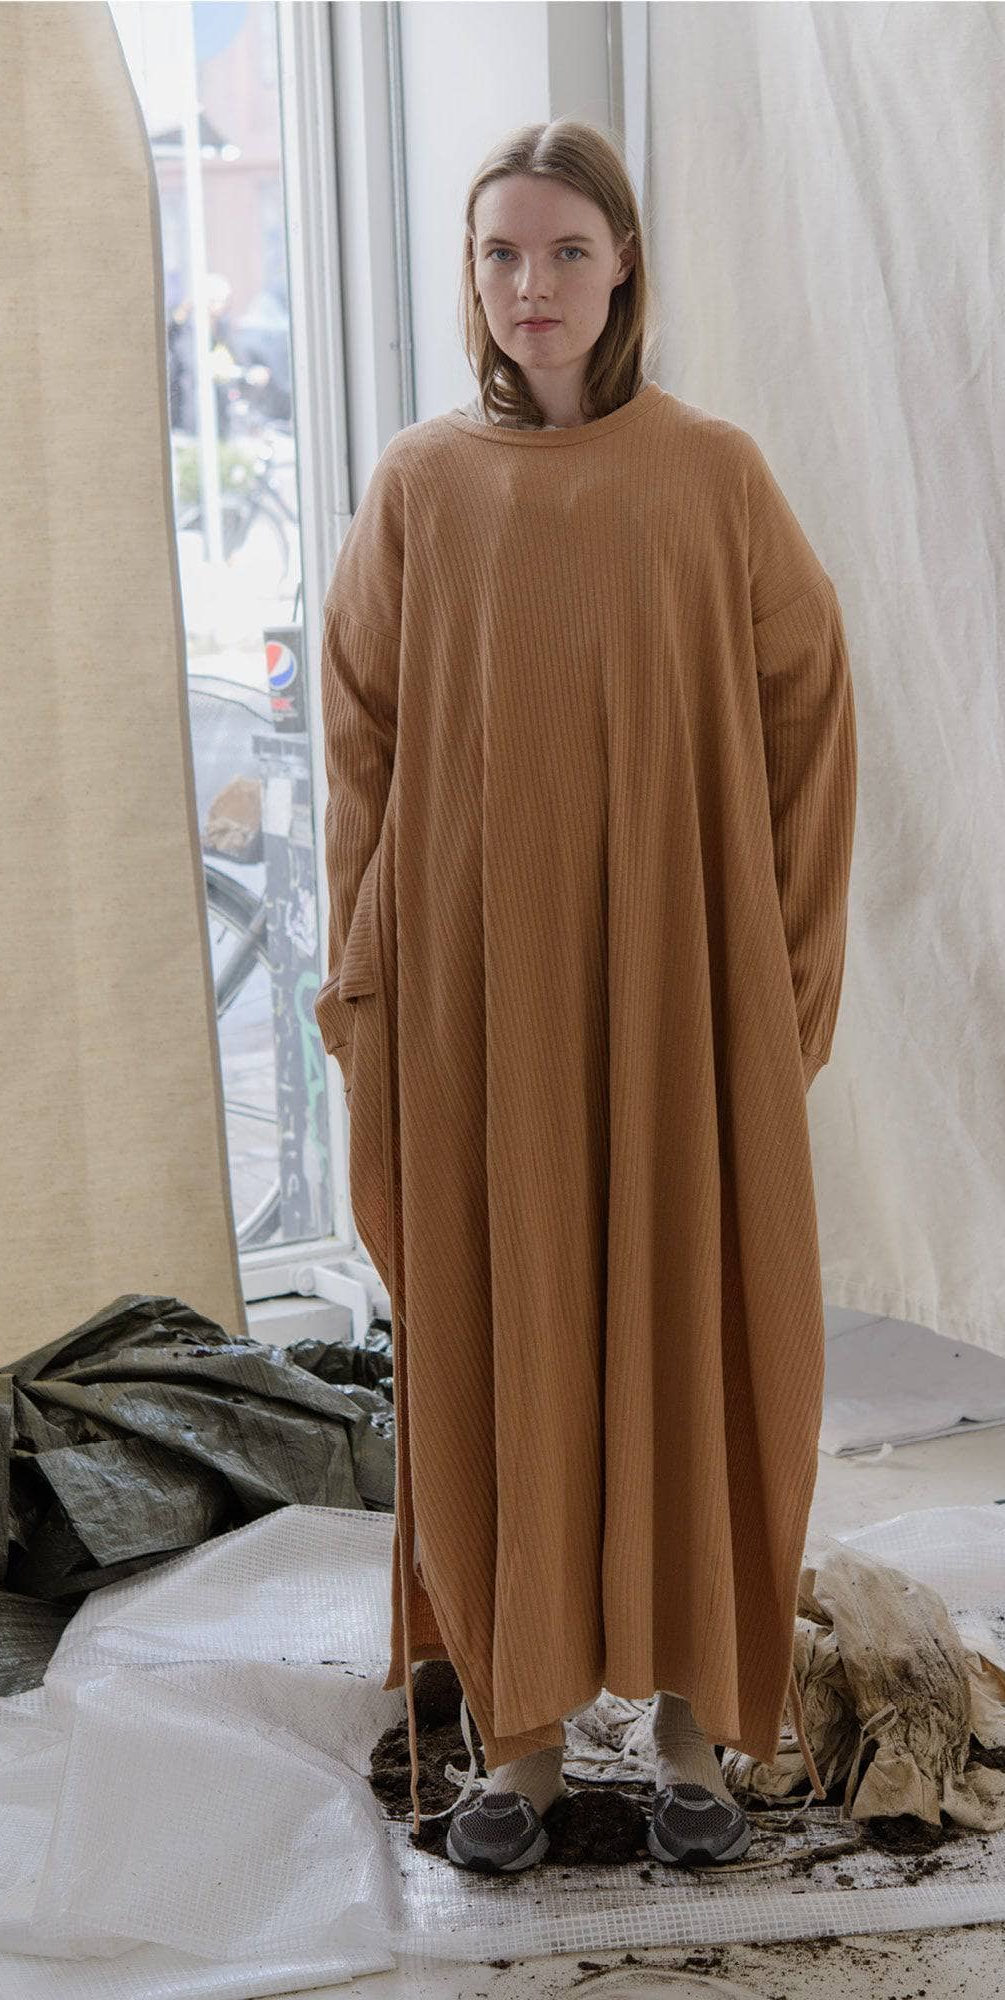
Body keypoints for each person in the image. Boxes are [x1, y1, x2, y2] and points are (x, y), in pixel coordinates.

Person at [313, 118, 855, 1875]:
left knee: (692, 1321)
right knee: (501, 1326)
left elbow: (809, 710)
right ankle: (523, 1743)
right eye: (499, 253)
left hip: (676, 990)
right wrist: (374, 971)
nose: (529, 285)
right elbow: (359, 738)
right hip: (483, 1000)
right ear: (470, 274)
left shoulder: (711, 475)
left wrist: (778, 978)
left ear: (624, 264)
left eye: (563, 251)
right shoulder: (420, 486)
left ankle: (696, 1735)